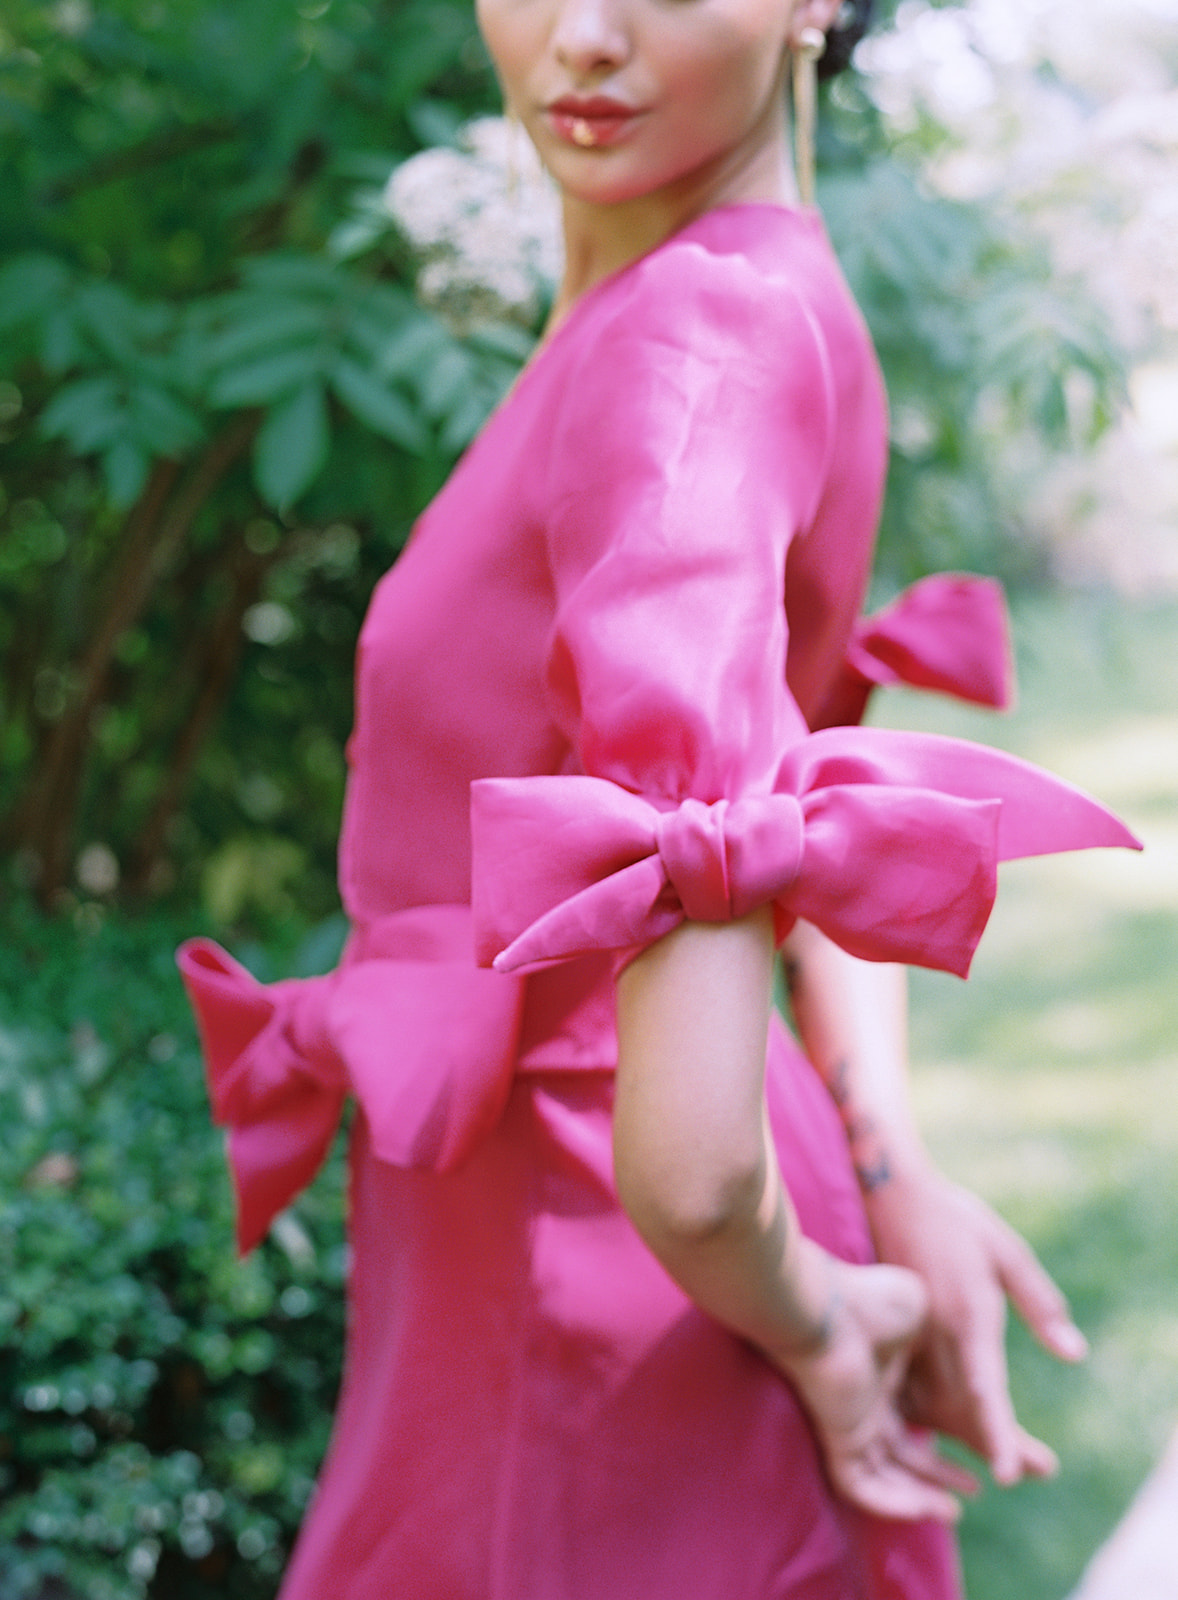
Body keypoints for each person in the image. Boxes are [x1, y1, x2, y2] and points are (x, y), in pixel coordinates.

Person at [178, 0, 1139, 1593]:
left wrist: (825, 1317)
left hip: (608, 1298)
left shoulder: (694, 340)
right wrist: (885, 1179)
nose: (586, 34)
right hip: (580, 1270)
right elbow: (803, 800)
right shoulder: (764, 298)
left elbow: (692, 1166)